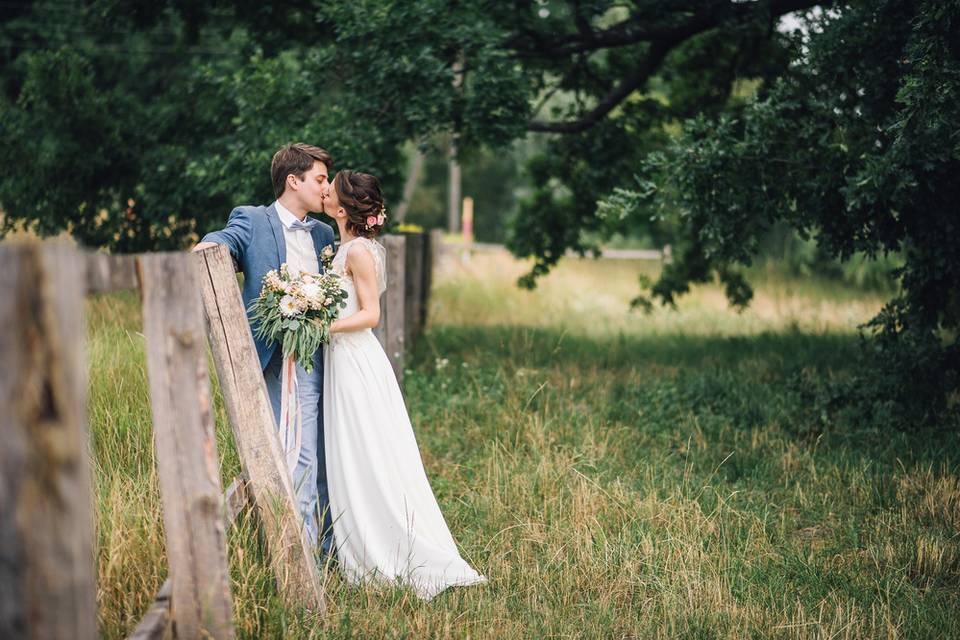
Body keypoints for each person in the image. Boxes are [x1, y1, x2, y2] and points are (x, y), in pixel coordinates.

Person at [321, 169, 486, 600]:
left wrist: (322, 324)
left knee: (364, 449)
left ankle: (386, 545)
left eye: (330, 190)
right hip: (350, 358)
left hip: (353, 357)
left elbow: (371, 314)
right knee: (363, 448)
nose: (324, 192)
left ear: (342, 209)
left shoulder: (357, 251)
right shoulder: (353, 247)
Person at [192, 143, 336, 556]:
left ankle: (322, 548)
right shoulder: (254, 220)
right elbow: (225, 239)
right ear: (294, 181)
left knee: (320, 452)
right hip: (275, 359)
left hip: (321, 358)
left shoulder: (324, 233)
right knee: (289, 451)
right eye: (321, 179)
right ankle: (296, 554)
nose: (326, 189)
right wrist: (207, 247)